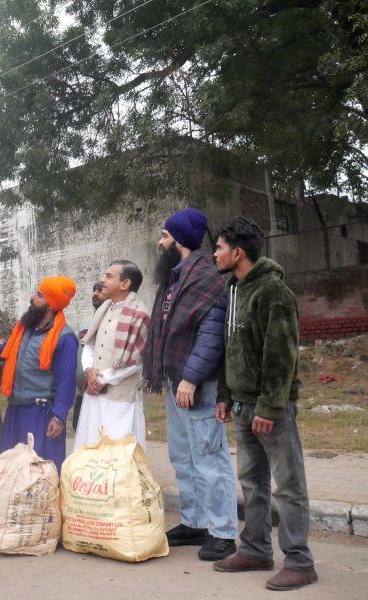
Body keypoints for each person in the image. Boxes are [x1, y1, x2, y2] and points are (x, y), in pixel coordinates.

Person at [212, 217, 317, 591]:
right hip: (241, 405)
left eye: (220, 248)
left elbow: (281, 358)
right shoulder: (234, 289)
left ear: (237, 252)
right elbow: (231, 349)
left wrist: (269, 409)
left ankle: (300, 562)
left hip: (271, 409)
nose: (216, 254)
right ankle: (255, 549)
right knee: (252, 483)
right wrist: (225, 396)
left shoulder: (273, 292)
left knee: (288, 486)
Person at [142, 207, 238, 561]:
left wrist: (191, 379)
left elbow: (211, 337)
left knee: (210, 457)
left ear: (179, 240)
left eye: (165, 236)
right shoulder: (175, 277)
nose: (160, 242)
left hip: (196, 384)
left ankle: (223, 532)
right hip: (175, 381)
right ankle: (195, 522)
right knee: (183, 456)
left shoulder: (207, 279)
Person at [0, 276, 78, 473]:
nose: (32, 297)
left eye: (39, 295)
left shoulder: (65, 338)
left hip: (41, 415)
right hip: (15, 410)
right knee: (10, 470)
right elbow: (11, 350)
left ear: (51, 305)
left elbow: (66, 382)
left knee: (39, 474)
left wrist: (59, 417)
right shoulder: (25, 328)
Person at [76, 260, 149, 448]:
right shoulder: (103, 309)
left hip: (121, 398)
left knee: (118, 451)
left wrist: (102, 380)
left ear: (125, 284)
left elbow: (136, 362)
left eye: (109, 276)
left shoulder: (139, 314)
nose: (102, 280)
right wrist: (89, 371)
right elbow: (89, 346)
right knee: (91, 446)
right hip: (94, 391)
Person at [73, 281, 106, 430]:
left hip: (101, 393)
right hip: (81, 392)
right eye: (94, 290)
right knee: (78, 428)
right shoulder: (85, 321)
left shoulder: (111, 322)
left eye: (100, 290)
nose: (95, 293)